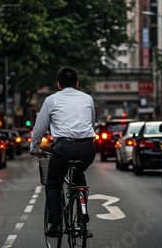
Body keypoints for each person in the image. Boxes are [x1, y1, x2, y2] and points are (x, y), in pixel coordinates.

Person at [29, 67, 96, 237]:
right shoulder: (88, 99)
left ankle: (56, 226)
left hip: (63, 149)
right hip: (87, 148)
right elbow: (91, 123)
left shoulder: (51, 100)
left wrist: (34, 148)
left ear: (58, 84)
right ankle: (82, 213)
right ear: (77, 84)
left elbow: (39, 128)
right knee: (79, 175)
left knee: (53, 185)